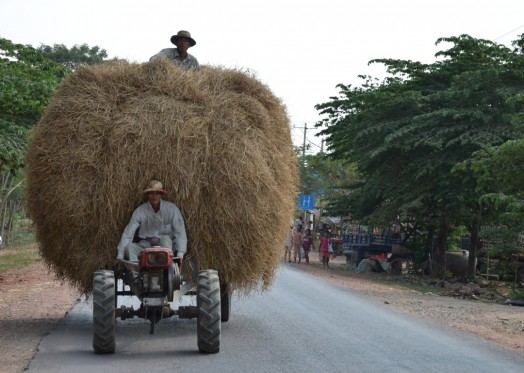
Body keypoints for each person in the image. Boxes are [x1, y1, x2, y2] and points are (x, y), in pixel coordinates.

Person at [116, 180, 187, 261]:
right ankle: (137, 272)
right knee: (130, 248)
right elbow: (128, 232)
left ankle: (166, 270)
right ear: (147, 195)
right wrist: (120, 255)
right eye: (151, 193)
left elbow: (180, 231)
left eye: (157, 193)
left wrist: (180, 254)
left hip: (165, 245)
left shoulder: (171, 209)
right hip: (146, 245)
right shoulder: (140, 211)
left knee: (165, 239)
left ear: (161, 195)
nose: (154, 196)